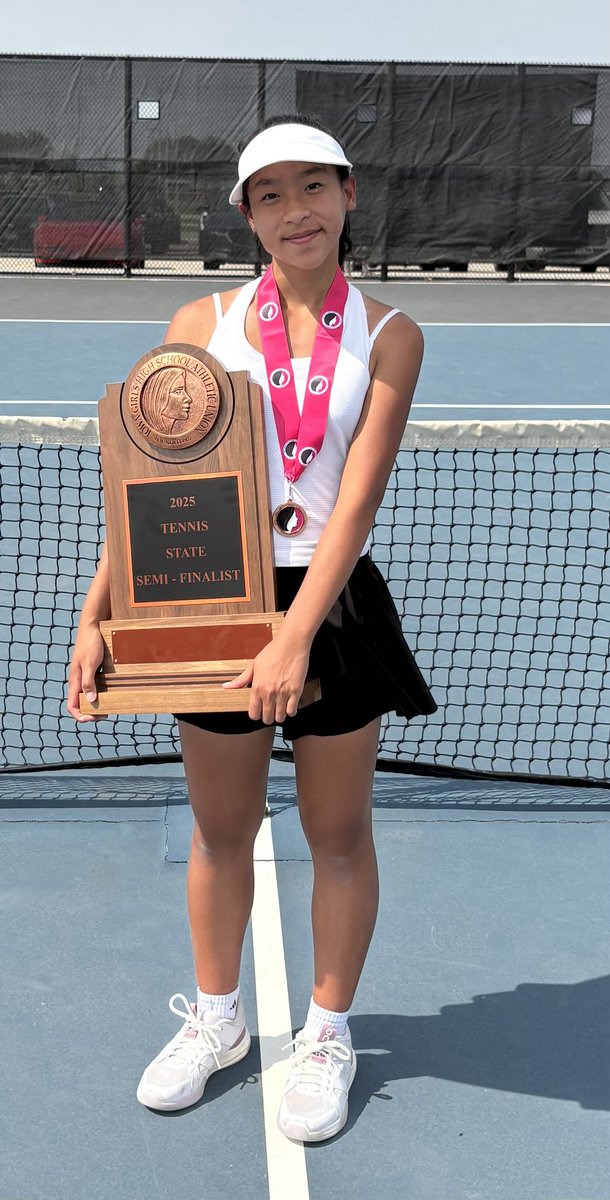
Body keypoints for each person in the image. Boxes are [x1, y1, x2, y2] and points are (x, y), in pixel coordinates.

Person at [67, 113, 437, 1143]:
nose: (294, 211)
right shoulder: (200, 321)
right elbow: (151, 488)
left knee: (338, 835)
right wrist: (98, 616)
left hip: (331, 602)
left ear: (348, 195)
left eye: (312, 187)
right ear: (247, 215)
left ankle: (325, 1033)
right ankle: (219, 1019)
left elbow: (353, 508)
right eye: (269, 195)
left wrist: (293, 637)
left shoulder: (391, 335)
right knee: (221, 831)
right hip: (206, 594)